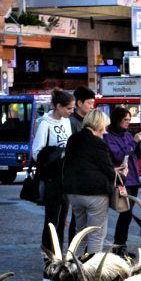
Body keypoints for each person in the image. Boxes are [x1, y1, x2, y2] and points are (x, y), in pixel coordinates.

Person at [32, 90, 76, 279]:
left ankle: (59, 260)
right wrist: (57, 154)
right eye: (68, 108)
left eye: (72, 108)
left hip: (66, 176)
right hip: (52, 177)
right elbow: (37, 152)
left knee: (61, 222)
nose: (70, 112)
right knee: (51, 222)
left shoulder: (67, 122)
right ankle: (48, 264)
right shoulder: (45, 124)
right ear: (57, 106)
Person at [62, 109, 116, 256]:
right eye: (104, 126)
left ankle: (74, 267)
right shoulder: (98, 143)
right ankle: (91, 271)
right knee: (96, 234)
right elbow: (108, 170)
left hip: (74, 193)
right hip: (94, 194)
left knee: (80, 233)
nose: (104, 131)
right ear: (98, 125)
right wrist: (121, 175)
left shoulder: (73, 139)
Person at [104, 106, 141, 256]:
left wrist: (138, 142)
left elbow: (134, 154)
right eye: (125, 120)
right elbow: (118, 155)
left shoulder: (127, 134)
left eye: (129, 120)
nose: (128, 122)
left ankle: (121, 245)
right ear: (117, 120)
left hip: (133, 178)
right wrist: (134, 142)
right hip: (122, 180)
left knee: (128, 214)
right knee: (125, 213)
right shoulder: (108, 136)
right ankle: (119, 246)